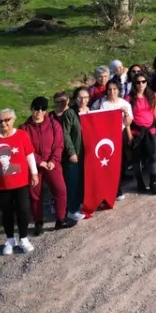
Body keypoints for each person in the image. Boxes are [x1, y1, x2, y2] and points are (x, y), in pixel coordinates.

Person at [0, 108, 39, 255]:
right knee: (6, 212)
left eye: (7, 120)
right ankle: (10, 240)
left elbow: (30, 155)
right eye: (0, 121)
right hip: (1, 185)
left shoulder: (22, 135)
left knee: (23, 210)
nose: (3, 123)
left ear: (13, 120)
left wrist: (34, 173)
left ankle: (24, 239)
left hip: (21, 183)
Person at [21, 97, 74, 235]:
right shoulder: (24, 128)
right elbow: (25, 149)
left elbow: (59, 144)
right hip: (33, 165)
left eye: (43, 109)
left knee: (60, 190)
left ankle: (60, 219)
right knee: (35, 194)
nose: (39, 111)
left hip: (51, 163)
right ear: (31, 109)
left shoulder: (53, 124)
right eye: (36, 108)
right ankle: (38, 222)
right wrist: (39, 161)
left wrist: (53, 160)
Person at [89, 79, 133, 202]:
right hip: (104, 138)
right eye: (109, 89)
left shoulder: (124, 104)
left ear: (118, 90)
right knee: (105, 165)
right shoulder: (99, 103)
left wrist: (126, 114)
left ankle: (117, 189)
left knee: (119, 164)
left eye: (114, 89)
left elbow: (128, 123)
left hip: (119, 136)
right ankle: (106, 190)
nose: (112, 91)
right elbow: (91, 118)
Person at [126, 73, 156, 194]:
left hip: (150, 130)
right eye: (138, 82)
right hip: (136, 132)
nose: (141, 84)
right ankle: (140, 182)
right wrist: (129, 134)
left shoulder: (152, 95)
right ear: (134, 84)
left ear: (147, 82)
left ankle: (153, 182)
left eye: (143, 81)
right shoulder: (129, 98)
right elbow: (126, 117)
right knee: (137, 159)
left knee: (153, 157)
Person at [56, 89, 87, 220]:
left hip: (88, 153)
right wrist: (71, 152)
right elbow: (65, 134)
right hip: (75, 152)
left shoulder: (91, 111)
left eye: (86, 97)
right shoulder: (70, 113)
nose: (83, 100)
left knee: (83, 180)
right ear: (74, 99)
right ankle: (71, 209)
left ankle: (81, 203)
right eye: (80, 97)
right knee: (73, 181)